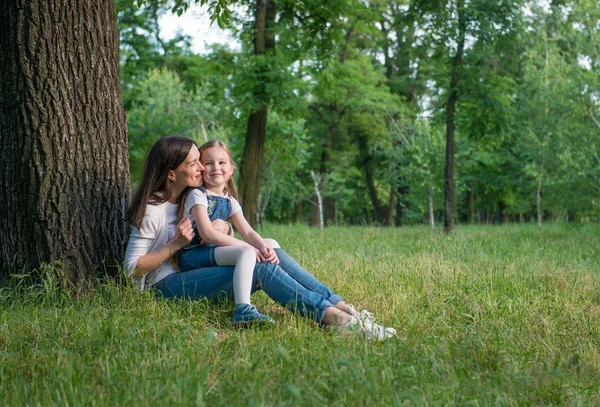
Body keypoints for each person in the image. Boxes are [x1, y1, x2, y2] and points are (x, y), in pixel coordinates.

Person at [124, 136, 396, 340]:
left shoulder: (190, 196)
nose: (202, 168)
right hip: (165, 286)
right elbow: (130, 269)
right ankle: (335, 319)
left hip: (196, 268)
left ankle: (338, 303)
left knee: (270, 248)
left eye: (199, 161)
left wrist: (226, 229)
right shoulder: (153, 210)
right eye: (194, 163)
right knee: (261, 265)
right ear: (172, 173)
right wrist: (175, 245)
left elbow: (211, 226)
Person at [177, 139, 276, 326]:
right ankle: (243, 309)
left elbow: (247, 231)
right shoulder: (197, 195)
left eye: (222, 162)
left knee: (271, 243)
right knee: (247, 252)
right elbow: (207, 234)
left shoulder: (230, 201)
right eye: (208, 163)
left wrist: (262, 246)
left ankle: (283, 280)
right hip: (193, 255)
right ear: (201, 168)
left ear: (231, 170)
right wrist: (251, 247)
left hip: (213, 252)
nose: (216, 167)